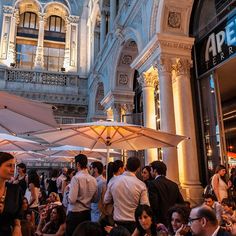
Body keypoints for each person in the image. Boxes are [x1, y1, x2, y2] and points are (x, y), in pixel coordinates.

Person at [104, 157, 149, 233]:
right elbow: (145, 206)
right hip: (134, 223)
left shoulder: (113, 181)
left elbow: (106, 200)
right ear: (138, 169)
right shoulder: (141, 185)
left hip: (118, 222)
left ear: (126, 166)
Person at [66, 154, 97, 236]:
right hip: (87, 213)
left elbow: (72, 200)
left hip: (75, 214)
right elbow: (95, 199)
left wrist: (67, 193)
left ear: (78, 164)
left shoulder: (76, 178)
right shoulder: (93, 179)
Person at [148, 161, 184, 225]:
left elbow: (154, 205)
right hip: (173, 219)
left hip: (160, 221)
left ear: (155, 170)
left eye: (151, 170)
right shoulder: (174, 185)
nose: (150, 172)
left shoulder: (152, 184)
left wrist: (155, 221)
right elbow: (181, 203)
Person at [0, 152, 23, 235]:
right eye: (9, 165)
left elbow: (18, 214)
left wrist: (17, 226)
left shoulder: (15, 190)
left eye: (14, 166)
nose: (13, 170)